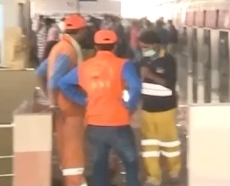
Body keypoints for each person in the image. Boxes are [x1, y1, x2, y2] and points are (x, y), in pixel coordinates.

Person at [57, 29, 142, 186]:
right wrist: (130, 105)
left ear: (95, 46)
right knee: (130, 162)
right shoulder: (124, 64)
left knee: (99, 165)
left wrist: (82, 99)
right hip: (119, 123)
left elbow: (63, 83)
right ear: (115, 46)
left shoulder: (84, 67)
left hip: (95, 124)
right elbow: (136, 86)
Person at [34, 14, 89, 186]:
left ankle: (70, 180)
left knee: (65, 146)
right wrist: (52, 102)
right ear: (81, 31)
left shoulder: (58, 47)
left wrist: (51, 99)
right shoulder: (69, 50)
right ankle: (75, 182)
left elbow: (40, 73)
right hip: (70, 107)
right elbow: (55, 80)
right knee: (73, 147)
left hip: (61, 106)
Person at [138, 30, 182, 185]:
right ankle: (153, 177)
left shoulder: (168, 60)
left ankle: (174, 171)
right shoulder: (144, 60)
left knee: (170, 143)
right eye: (141, 47)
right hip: (147, 109)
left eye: (146, 47)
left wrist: (150, 75)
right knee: (149, 144)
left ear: (156, 45)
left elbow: (169, 83)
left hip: (166, 109)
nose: (143, 50)